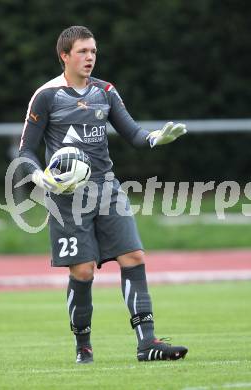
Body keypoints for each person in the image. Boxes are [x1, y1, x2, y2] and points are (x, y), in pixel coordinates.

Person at [19, 25, 188, 364]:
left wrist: (155, 138)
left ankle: (147, 343)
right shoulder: (46, 96)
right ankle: (83, 346)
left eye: (93, 51)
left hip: (107, 188)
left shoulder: (106, 91)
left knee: (134, 257)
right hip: (68, 198)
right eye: (82, 51)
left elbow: (134, 134)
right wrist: (38, 176)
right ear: (64, 55)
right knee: (82, 272)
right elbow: (25, 151)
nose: (90, 57)